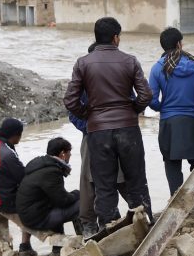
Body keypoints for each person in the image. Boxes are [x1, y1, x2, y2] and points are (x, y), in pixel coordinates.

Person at [64, 16, 153, 229]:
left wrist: (90, 115)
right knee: (136, 181)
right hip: (128, 129)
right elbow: (145, 95)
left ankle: (108, 228)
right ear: (116, 38)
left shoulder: (83, 63)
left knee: (104, 186)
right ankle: (146, 223)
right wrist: (132, 111)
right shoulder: (130, 61)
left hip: (98, 132)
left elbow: (70, 100)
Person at [147, 27, 194, 195]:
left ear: (163, 46)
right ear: (179, 43)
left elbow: (152, 100)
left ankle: (176, 196)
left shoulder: (157, 68)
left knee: (172, 163)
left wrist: (163, 108)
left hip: (169, 122)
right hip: (193, 119)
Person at [0, 117, 35, 256]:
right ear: (16, 135)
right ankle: (25, 247)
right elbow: (23, 177)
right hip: (5, 201)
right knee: (33, 201)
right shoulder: (7, 154)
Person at [16, 137, 82, 256]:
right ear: (62, 154)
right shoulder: (51, 171)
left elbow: (57, 197)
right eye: (69, 152)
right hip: (37, 219)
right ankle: (86, 239)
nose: (70, 155)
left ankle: (58, 248)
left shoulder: (41, 165)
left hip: (28, 214)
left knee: (59, 203)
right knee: (83, 204)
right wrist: (78, 194)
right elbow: (63, 200)